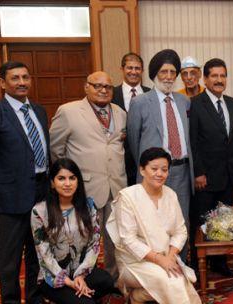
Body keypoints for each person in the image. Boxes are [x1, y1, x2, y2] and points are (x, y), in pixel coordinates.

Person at [0, 60, 47, 303]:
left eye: (25, 77)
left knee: (38, 253)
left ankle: (35, 298)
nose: (22, 82)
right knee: (9, 259)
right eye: (15, 78)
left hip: (42, 192)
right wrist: (0, 186)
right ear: (3, 82)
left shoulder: (39, 111)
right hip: (9, 198)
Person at [49, 71, 127, 278]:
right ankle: (82, 279)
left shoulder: (120, 112)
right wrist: (67, 182)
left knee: (115, 237)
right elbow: (56, 150)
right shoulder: (68, 111)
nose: (103, 90)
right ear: (86, 87)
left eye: (108, 87)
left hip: (116, 185)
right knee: (82, 238)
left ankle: (112, 278)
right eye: (97, 85)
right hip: (85, 187)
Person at [107, 147, 201, 304]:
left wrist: (170, 257)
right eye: (154, 169)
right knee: (174, 281)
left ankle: (137, 297)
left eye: (164, 169)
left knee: (182, 280)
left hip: (165, 256)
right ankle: (136, 293)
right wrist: (160, 260)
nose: (160, 174)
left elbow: (180, 231)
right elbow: (128, 240)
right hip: (134, 262)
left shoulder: (171, 194)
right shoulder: (128, 197)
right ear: (142, 170)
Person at [126, 49, 195, 261]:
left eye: (173, 72)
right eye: (163, 71)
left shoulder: (184, 102)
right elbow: (133, 142)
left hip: (181, 172)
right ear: (154, 73)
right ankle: (156, 271)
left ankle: (179, 266)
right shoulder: (139, 103)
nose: (168, 77)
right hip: (153, 175)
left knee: (180, 224)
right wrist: (148, 170)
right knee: (153, 224)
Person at [31, 158, 115, 304]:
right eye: (61, 178)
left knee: (107, 281)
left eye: (72, 178)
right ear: (52, 182)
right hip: (54, 276)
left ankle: (76, 295)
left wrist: (80, 276)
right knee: (86, 303)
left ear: (78, 181)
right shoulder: (39, 211)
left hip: (80, 272)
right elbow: (44, 255)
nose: (68, 183)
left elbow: (94, 245)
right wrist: (69, 282)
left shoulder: (88, 206)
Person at [188, 58, 233, 276]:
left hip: (228, 176)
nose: (219, 80)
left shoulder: (232, 103)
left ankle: (220, 263)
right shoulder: (195, 103)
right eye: (214, 76)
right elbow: (193, 141)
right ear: (205, 78)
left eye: (223, 76)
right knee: (202, 222)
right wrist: (198, 172)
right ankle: (198, 265)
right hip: (205, 177)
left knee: (223, 221)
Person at [112, 52, 151, 186]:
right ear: (122, 69)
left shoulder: (151, 93)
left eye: (137, 68)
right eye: (130, 68)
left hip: (147, 158)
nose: (133, 72)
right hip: (120, 159)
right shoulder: (111, 94)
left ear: (142, 71)